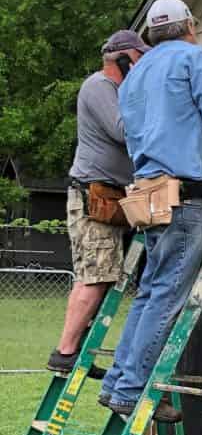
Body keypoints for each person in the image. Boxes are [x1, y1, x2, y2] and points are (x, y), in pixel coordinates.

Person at [98, 0, 202, 421]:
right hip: (184, 194)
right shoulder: (195, 59)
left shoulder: (136, 73)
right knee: (166, 296)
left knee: (149, 292)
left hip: (148, 194)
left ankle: (116, 383)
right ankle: (130, 390)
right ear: (190, 26)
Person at [48, 29, 150, 375]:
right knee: (95, 275)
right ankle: (65, 352)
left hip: (108, 196)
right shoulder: (98, 86)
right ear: (123, 58)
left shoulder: (118, 90)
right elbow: (123, 129)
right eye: (138, 59)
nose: (142, 65)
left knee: (99, 274)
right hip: (92, 195)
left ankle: (76, 346)